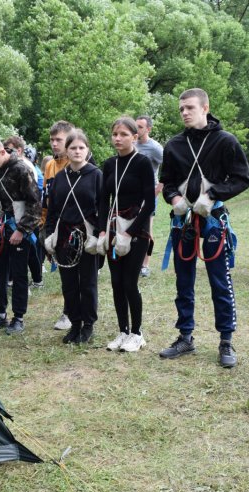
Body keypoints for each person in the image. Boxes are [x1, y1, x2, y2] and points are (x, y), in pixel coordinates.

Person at [159, 88, 249, 368]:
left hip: (213, 222)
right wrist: (174, 198)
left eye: (189, 107)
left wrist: (212, 196)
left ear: (205, 107)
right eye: (181, 109)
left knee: (219, 281)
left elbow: (242, 178)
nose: (185, 112)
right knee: (183, 280)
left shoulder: (225, 141)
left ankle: (226, 340)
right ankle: (185, 336)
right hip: (183, 223)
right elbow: (168, 182)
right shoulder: (174, 145)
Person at [99, 118, 155, 352]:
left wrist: (129, 233)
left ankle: (137, 333)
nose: (118, 138)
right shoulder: (109, 164)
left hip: (137, 230)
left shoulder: (142, 163)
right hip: (113, 229)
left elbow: (150, 203)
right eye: (115, 134)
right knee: (116, 283)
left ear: (134, 136)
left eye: (123, 134)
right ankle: (123, 331)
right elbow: (103, 200)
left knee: (130, 283)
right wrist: (103, 230)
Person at [0, 137, 41, 335]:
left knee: (19, 273)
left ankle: (18, 318)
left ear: (3, 153)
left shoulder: (22, 169)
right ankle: (0, 314)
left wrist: (21, 230)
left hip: (20, 225)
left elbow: (34, 203)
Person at [46, 129, 101, 344]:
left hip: (87, 236)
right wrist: (49, 236)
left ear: (87, 150)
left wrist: (98, 235)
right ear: (66, 151)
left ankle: (88, 325)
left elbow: (102, 208)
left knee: (87, 283)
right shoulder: (60, 177)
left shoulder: (96, 175)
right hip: (64, 237)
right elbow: (52, 210)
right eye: (73, 148)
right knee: (69, 283)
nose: (77, 151)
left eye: (81, 147)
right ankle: (75, 323)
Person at [43, 120, 75, 331]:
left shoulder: (78, 163)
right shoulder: (50, 166)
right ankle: (68, 310)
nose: (54, 144)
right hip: (56, 226)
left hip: (76, 226)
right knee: (64, 271)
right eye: (52, 140)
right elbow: (46, 199)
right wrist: (45, 227)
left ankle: (75, 312)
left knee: (78, 273)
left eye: (59, 140)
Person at [4, 135, 45, 288]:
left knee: (29, 248)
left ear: (19, 150)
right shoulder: (9, 166)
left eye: (9, 149)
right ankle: (13, 278)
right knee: (15, 248)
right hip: (12, 215)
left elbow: (33, 196)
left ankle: (35, 278)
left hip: (27, 215)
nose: (6, 153)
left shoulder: (27, 167)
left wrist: (26, 221)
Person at [135, 115, 164, 277]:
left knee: (146, 229)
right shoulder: (131, 143)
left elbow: (170, 167)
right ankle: (134, 261)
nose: (136, 129)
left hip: (149, 194)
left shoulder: (155, 148)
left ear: (148, 129)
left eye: (140, 127)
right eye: (135, 126)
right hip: (133, 194)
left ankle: (145, 265)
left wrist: (157, 190)